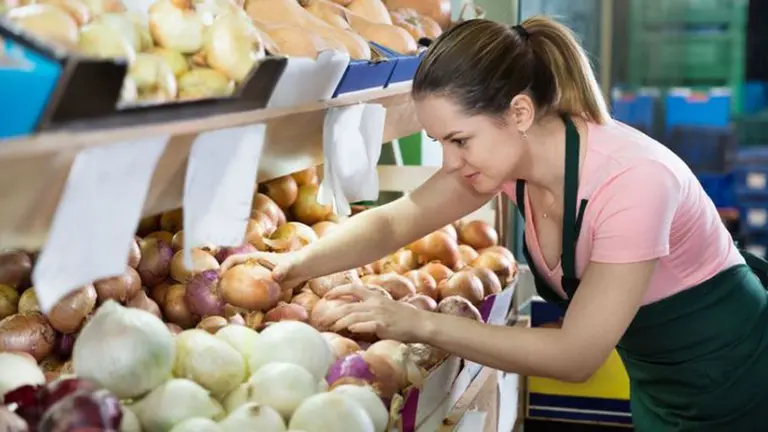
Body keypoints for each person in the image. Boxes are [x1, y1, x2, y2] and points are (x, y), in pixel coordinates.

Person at [222, 16, 768, 431]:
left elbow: (577, 356)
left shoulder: (635, 182)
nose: (450, 162)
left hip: (743, 380)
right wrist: (295, 263)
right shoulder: (507, 161)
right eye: (440, 144)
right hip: (663, 387)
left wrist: (419, 324)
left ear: (520, 114)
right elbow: (395, 224)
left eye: (459, 140)